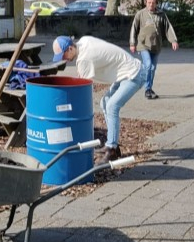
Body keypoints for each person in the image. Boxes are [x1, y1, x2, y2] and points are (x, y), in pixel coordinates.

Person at [51, 35, 146, 163]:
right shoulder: (83, 41)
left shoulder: (84, 59)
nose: (64, 60)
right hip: (125, 72)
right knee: (105, 102)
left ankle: (111, 149)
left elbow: (83, 89)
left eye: (63, 56)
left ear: (70, 49)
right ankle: (113, 145)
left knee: (112, 106)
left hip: (134, 74)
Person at [129, 0, 178, 100]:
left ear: (156, 3)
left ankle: (149, 88)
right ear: (145, 2)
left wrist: (173, 41)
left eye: (153, 2)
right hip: (143, 45)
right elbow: (134, 28)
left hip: (156, 45)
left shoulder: (161, 14)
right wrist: (132, 43)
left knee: (152, 68)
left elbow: (168, 27)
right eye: (149, 2)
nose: (151, 4)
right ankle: (147, 89)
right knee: (149, 65)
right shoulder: (140, 14)